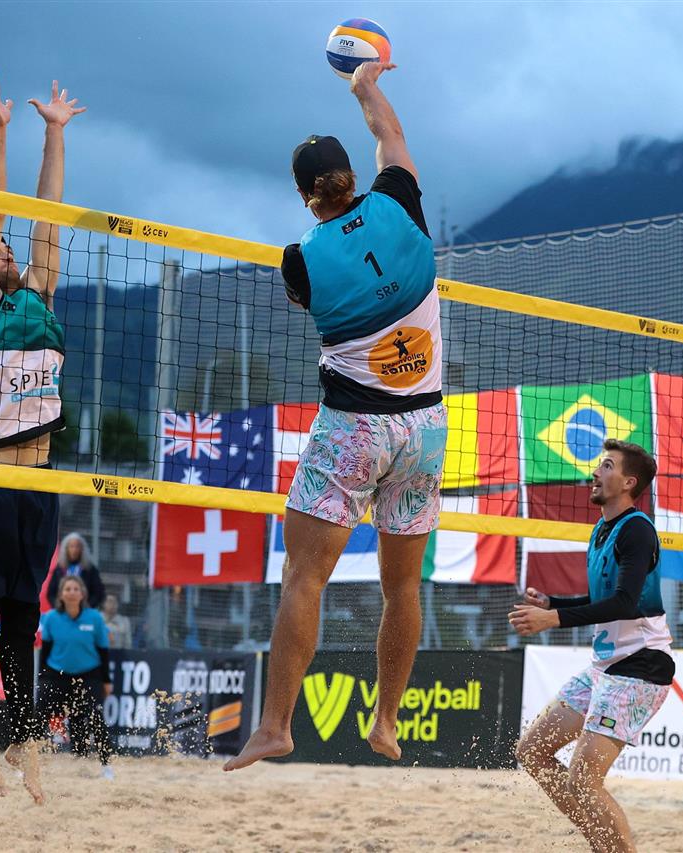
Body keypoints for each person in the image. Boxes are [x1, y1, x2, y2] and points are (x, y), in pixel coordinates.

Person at [226, 60, 447, 771]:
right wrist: (365, 87)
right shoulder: (400, 204)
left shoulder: (300, 260)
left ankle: (275, 726)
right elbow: (393, 137)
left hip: (356, 428)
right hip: (425, 428)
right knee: (402, 586)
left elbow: (315, 296)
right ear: (355, 175)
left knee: (304, 577)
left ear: (303, 195)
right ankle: (386, 721)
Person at [0, 72, 85, 803]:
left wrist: (55, 132)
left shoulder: (38, 296)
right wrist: (0, 132)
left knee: (24, 620)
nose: (7, 253)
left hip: (38, 483)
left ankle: (26, 739)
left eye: (9, 250)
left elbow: (47, 216)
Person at [508, 439, 673, 853]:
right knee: (532, 751)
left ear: (629, 482)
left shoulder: (637, 529)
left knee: (582, 778)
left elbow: (626, 603)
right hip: (606, 666)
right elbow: (604, 598)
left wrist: (553, 620)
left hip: (640, 668)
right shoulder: (603, 528)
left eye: (607, 466)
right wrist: (554, 604)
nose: (595, 472)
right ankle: (605, 845)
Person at [38, 576, 113, 778]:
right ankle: (27, 763)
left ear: (82, 594)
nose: (71, 592)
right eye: (67, 589)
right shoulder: (51, 618)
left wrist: (106, 680)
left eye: (75, 589)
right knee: (38, 716)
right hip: (56, 674)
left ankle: (106, 767)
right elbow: (45, 651)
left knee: (96, 718)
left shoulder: (94, 618)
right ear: (61, 594)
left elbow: (103, 651)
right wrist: (42, 679)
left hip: (89, 674)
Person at [45, 532, 105, 609]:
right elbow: (51, 594)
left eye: (77, 546)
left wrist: (87, 607)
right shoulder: (59, 569)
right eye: (71, 546)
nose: (74, 550)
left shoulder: (90, 569)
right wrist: (59, 607)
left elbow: (98, 593)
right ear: (66, 549)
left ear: (82, 549)